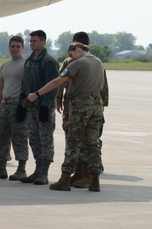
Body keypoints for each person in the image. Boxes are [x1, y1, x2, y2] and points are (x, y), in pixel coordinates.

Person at [26, 42, 106, 192]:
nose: (70, 59)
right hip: (97, 104)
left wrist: (36, 94)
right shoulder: (98, 61)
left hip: (81, 106)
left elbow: (57, 81)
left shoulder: (77, 64)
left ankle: (64, 179)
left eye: (71, 55)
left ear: (77, 49)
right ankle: (95, 179)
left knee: (73, 142)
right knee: (93, 143)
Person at [55, 31, 110, 187]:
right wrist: (103, 104)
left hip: (75, 106)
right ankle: (83, 175)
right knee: (89, 141)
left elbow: (60, 82)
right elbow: (104, 84)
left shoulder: (71, 61)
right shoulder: (97, 61)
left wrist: (58, 100)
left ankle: (79, 175)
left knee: (74, 140)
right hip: (93, 104)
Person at [0, 36, 29, 180]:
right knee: (1, 136)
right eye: (13, 46)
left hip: (18, 104)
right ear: (9, 48)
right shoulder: (5, 66)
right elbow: (0, 88)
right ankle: (1, 167)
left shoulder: (26, 65)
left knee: (19, 137)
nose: (15, 49)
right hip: (5, 104)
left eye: (18, 46)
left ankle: (21, 169)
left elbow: (29, 86)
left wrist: (24, 106)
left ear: (23, 48)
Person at [18, 30, 59, 185]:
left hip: (43, 108)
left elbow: (54, 85)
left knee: (45, 140)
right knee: (34, 139)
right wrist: (21, 105)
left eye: (35, 41)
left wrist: (46, 106)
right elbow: (25, 82)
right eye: (31, 41)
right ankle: (37, 169)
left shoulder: (49, 61)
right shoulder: (29, 60)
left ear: (43, 42)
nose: (31, 43)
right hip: (30, 107)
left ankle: (44, 172)